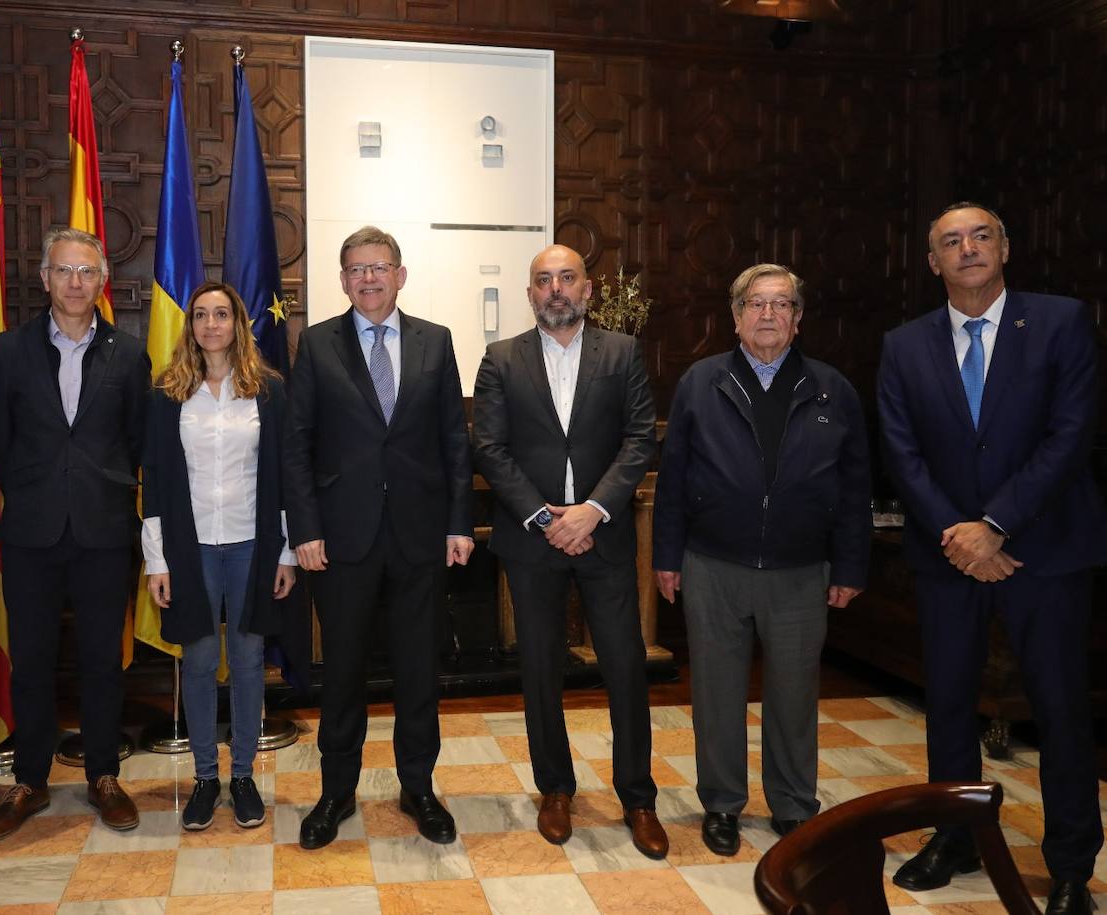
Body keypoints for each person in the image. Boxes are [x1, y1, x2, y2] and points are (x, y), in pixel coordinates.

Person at [878, 203, 1103, 914]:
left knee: (1060, 708)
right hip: (950, 555)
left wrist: (997, 525)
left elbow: (1071, 435)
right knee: (946, 702)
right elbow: (902, 453)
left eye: (981, 236)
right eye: (951, 241)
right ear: (932, 261)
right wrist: (960, 533)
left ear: (1005, 247)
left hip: (1046, 550)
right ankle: (956, 835)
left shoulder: (1062, 321)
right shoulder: (903, 344)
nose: (968, 248)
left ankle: (1070, 863)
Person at [652, 263, 870, 857]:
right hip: (713, 566)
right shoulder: (701, 381)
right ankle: (722, 804)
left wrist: (849, 566)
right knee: (717, 694)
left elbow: (855, 488)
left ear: (798, 320)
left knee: (795, 695)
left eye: (781, 305)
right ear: (736, 316)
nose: (768, 314)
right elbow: (672, 481)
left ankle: (794, 807)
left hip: (801, 571)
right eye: (755, 304)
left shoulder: (832, 389)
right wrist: (666, 557)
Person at [471, 243, 666, 859]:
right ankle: (555, 789)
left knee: (626, 667)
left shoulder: (622, 352)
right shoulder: (501, 359)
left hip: (602, 536)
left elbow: (640, 438)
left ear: (588, 289)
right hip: (533, 542)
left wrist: (592, 510)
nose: (556, 289)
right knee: (539, 668)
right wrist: (541, 515)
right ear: (530, 294)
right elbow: (489, 447)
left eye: (567, 278)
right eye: (543, 280)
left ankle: (638, 796)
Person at [283, 225, 474, 849]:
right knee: (341, 672)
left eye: (380, 267)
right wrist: (304, 530)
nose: (369, 278)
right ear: (343, 280)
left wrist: (458, 521)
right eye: (357, 269)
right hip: (341, 541)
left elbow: (454, 441)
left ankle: (418, 787)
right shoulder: (315, 345)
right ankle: (336, 791)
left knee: (419, 670)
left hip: (420, 536)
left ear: (400, 274)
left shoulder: (436, 342)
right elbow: (297, 448)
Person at [0, 227, 150, 841]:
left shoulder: (128, 354)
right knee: (32, 661)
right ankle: (29, 781)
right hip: (32, 531)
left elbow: (136, 441)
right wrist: (37, 490)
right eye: (64, 271)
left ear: (102, 283)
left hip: (103, 530)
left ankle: (103, 775)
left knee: (104, 660)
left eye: (87, 273)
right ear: (45, 279)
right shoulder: (8, 350)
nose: (76, 283)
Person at [141, 281, 297, 831]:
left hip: (253, 545)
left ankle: (244, 776)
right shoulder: (167, 394)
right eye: (202, 315)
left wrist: (286, 554)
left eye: (222, 314)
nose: (211, 324)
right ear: (191, 327)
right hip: (192, 549)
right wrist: (157, 561)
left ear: (238, 324)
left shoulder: (269, 390)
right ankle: (207, 778)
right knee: (203, 663)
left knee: (250, 662)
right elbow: (156, 482)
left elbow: (283, 478)